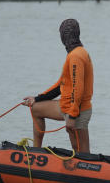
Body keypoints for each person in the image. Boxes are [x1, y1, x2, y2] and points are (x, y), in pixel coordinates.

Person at [22, 19, 93, 154]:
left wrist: (72, 117)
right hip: (65, 106)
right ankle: (36, 153)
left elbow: (78, 88)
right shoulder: (74, 53)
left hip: (77, 110)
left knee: (82, 153)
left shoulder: (76, 56)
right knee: (36, 109)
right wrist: (37, 99)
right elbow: (61, 85)